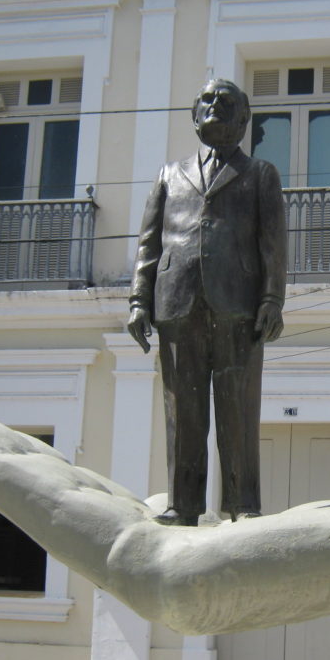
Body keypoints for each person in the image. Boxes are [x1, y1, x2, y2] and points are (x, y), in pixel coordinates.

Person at [127, 79, 286, 526]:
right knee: (183, 411)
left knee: (238, 410)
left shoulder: (260, 175)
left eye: (227, 102)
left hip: (238, 303)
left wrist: (273, 298)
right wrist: (139, 300)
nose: (216, 106)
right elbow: (149, 243)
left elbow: (272, 243)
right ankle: (182, 504)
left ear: (243, 120)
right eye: (207, 100)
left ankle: (243, 505)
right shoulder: (168, 175)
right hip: (176, 301)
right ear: (194, 115)